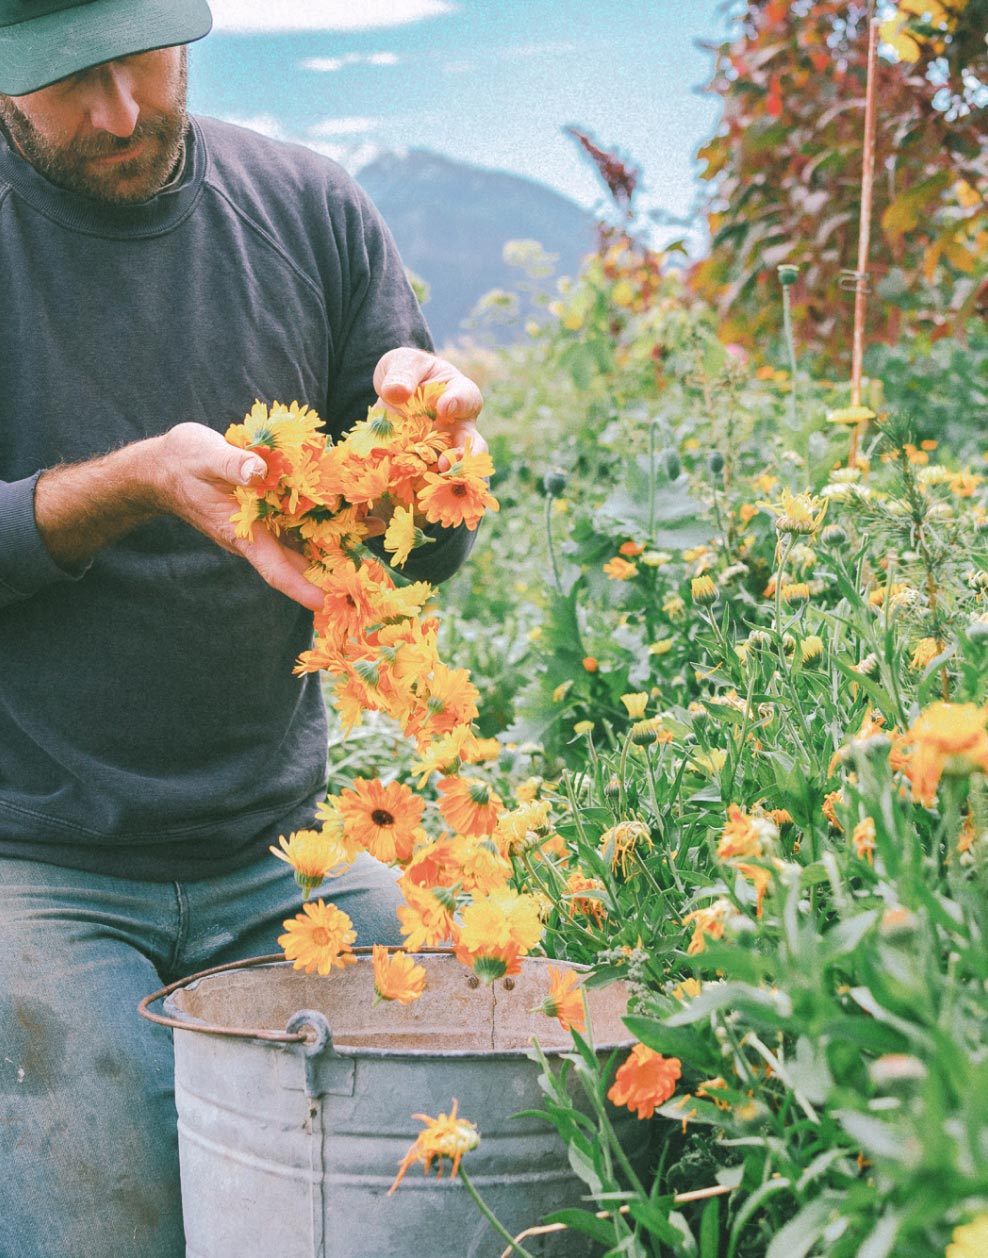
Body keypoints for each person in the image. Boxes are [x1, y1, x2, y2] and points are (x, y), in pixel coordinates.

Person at [0, 2, 486, 1253]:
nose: (120, 112)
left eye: (141, 62)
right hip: (36, 857)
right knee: (103, 1227)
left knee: (448, 1168)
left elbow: (412, 552)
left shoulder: (308, 208)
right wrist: (128, 484)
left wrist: (430, 459)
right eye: (67, 83)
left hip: (288, 850)